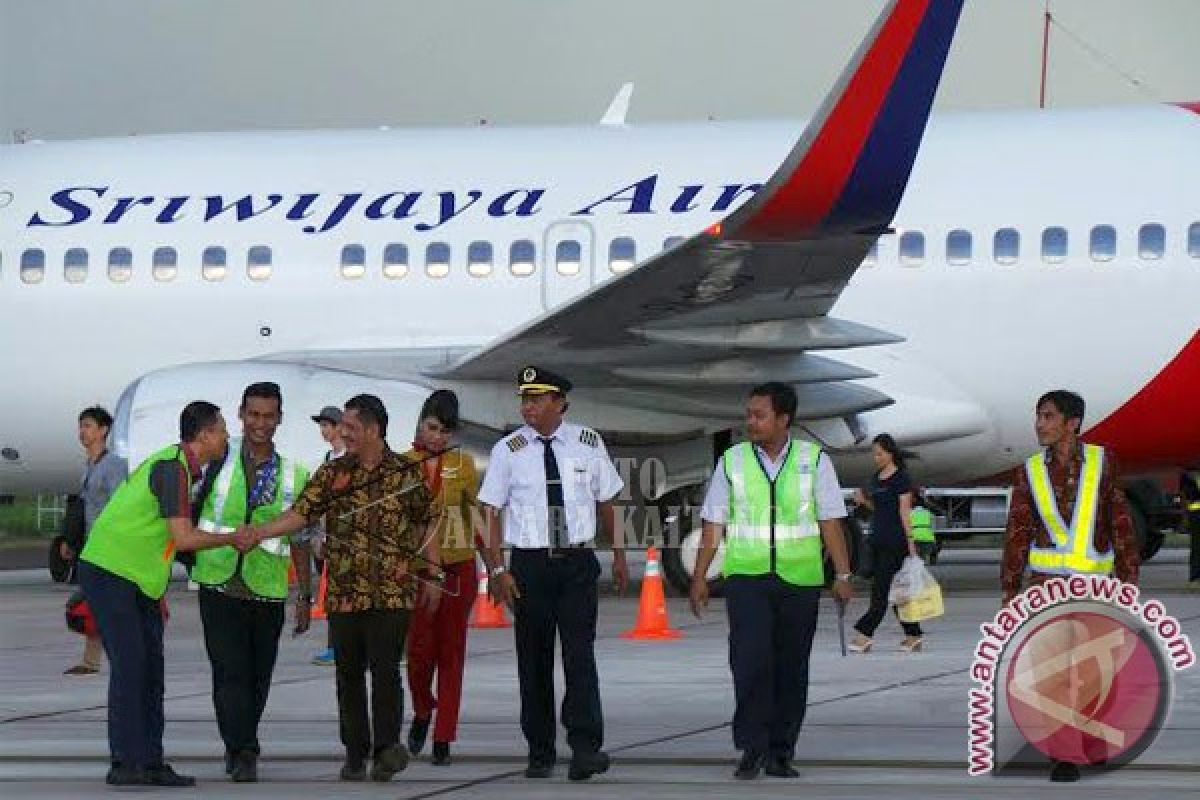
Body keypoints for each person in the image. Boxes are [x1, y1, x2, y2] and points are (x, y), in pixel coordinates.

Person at [235, 394, 440, 783]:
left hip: (392, 592)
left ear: (373, 430)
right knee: (347, 675)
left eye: (350, 428)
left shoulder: (405, 473)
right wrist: (259, 531)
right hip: (345, 592)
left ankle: (385, 750)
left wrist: (433, 573)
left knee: (385, 672)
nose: (342, 434)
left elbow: (428, 520)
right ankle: (354, 751)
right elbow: (301, 513)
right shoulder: (333, 474)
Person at [690, 382, 854, 780]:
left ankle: (781, 751)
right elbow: (714, 522)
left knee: (791, 667)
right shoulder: (732, 460)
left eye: (760, 415)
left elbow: (830, 520)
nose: (751, 422)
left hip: (800, 579)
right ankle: (751, 746)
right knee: (749, 662)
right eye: (748, 414)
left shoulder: (814, 460)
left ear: (784, 420)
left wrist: (843, 574)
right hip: (747, 578)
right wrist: (699, 576)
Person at [77, 401, 243, 787]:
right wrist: (232, 538)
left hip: (138, 578)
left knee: (151, 671)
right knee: (132, 667)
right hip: (112, 570)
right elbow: (182, 536)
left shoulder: (184, 469)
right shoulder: (173, 469)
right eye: (220, 430)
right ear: (203, 435)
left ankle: (149, 761)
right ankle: (126, 763)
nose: (225, 438)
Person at [477, 366, 628, 782]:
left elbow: (608, 502)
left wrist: (617, 554)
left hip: (577, 564)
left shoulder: (587, 443)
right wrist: (499, 568)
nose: (528, 407)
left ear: (560, 402)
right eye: (524, 399)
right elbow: (489, 512)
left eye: (537, 399)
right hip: (529, 566)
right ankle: (539, 750)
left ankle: (585, 748)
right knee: (534, 661)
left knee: (580, 658)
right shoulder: (509, 449)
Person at [1001, 389, 1139, 783]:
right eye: (1039, 416)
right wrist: (1010, 589)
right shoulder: (1028, 470)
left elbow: (1119, 520)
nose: (1039, 424)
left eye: (1047, 416)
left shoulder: (1102, 462)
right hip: (1046, 589)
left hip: (1096, 587)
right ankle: (1063, 753)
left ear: (1072, 423)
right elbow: (1018, 530)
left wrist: (1129, 579)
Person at [189, 383, 312, 782]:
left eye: (268, 416)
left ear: (279, 419)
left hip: (267, 587)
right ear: (241, 415)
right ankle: (243, 749)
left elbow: (300, 537)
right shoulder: (216, 460)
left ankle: (241, 739)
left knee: (259, 676)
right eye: (253, 415)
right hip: (218, 581)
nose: (260, 423)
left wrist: (305, 594)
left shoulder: (294, 473)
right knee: (229, 673)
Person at [404, 390, 482, 766]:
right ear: (420, 423)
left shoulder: (464, 465)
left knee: (451, 653)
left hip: (459, 566)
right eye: (433, 428)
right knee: (418, 655)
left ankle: (444, 736)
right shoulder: (400, 465)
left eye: (446, 432)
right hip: (418, 572)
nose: (438, 437)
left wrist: (496, 567)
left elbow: (477, 518)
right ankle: (422, 710)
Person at [63, 406, 128, 676]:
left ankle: (107, 659)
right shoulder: (89, 467)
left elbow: (120, 504)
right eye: (81, 425)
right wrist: (71, 539)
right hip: (92, 546)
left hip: (109, 547)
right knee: (96, 603)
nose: (82, 431)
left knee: (102, 602)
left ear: (103, 430)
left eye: (88, 425)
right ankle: (92, 661)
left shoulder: (113, 466)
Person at [849, 434, 926, 654]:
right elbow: (879, 510)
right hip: (877, 539)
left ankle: (865, 635)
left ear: (890, 453)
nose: (876, 458)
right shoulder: (876, 478)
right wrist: (864, 502)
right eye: (874, 454)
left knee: (880, 591)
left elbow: (904, 511)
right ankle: (913, 635)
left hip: (895, 541)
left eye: (880, 454)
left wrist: (911, 543)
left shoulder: (901, 479)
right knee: (896, 592)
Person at [307, 405, 345, 665]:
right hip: (327, 533)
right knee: (333, 592)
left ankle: (341, 647)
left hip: (343, 536)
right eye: (321, 426)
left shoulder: (348, 459)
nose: (323, 431)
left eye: (327, 426)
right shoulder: (328, 458)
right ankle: (336, 647)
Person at [1182, 468, 1200, 588]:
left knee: (1196, 547)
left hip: (1194, 514)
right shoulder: (1189, 474)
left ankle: (1195, 578)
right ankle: (1195, 578)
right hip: (1196, 515)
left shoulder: (1189, 474)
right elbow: (1185, 495)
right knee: (1197, 547)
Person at [909, 489, 937, 563]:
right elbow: (933, 527)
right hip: (927, 538)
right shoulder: (929, 513)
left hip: (915, 537)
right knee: (923, 557)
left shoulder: (910, 513)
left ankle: (916, 570)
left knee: (915, 557)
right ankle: (922, 566)